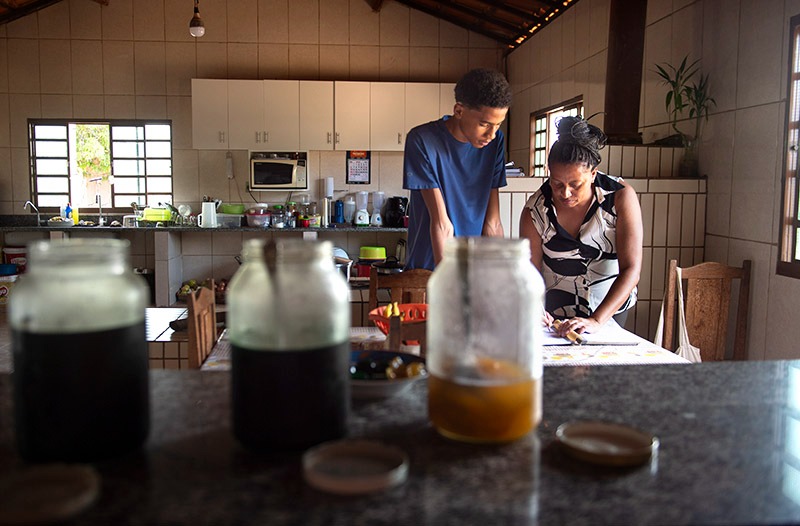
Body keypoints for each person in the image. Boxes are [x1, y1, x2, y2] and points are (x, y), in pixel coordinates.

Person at [519, 116, 643, 336]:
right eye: (557, 183)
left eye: (575, 185)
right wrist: (534, 306)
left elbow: (631, 269)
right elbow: (530, 273)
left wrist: (596, 320)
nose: (565, 193)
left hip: (608, 311)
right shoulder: (535, 211)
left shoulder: (620, 197)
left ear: (593, 174)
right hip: (555, 316)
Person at [403, 68, 511, 270]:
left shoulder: (495, 143)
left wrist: (499, 274)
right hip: (430, 267)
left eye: (498, 125)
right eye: (484, 124)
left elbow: (493, 223)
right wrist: (449, 281)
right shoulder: (422, 140)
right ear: (459, 111)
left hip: (473, 267)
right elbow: (442, 223)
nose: (491, 134)